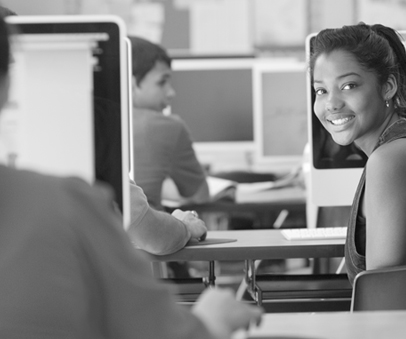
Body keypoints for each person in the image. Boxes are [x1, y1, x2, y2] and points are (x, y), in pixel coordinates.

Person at [0, 11, 262, 338]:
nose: (171, 93)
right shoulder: (67, 203)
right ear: (11, 84)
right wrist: (210, 319)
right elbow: (157, 327)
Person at [309, 23, 406, 283]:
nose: (331, 104)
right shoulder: (402, 144)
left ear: (388, 87)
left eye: (348, 86)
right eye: (321, 90)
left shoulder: (391, 159)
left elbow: (381, 293)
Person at [129, 35, 209, 210]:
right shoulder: (166, 127)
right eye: (162, 82)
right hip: (151, 235)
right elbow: (200, 195)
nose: (171, 92)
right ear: (132, 82)